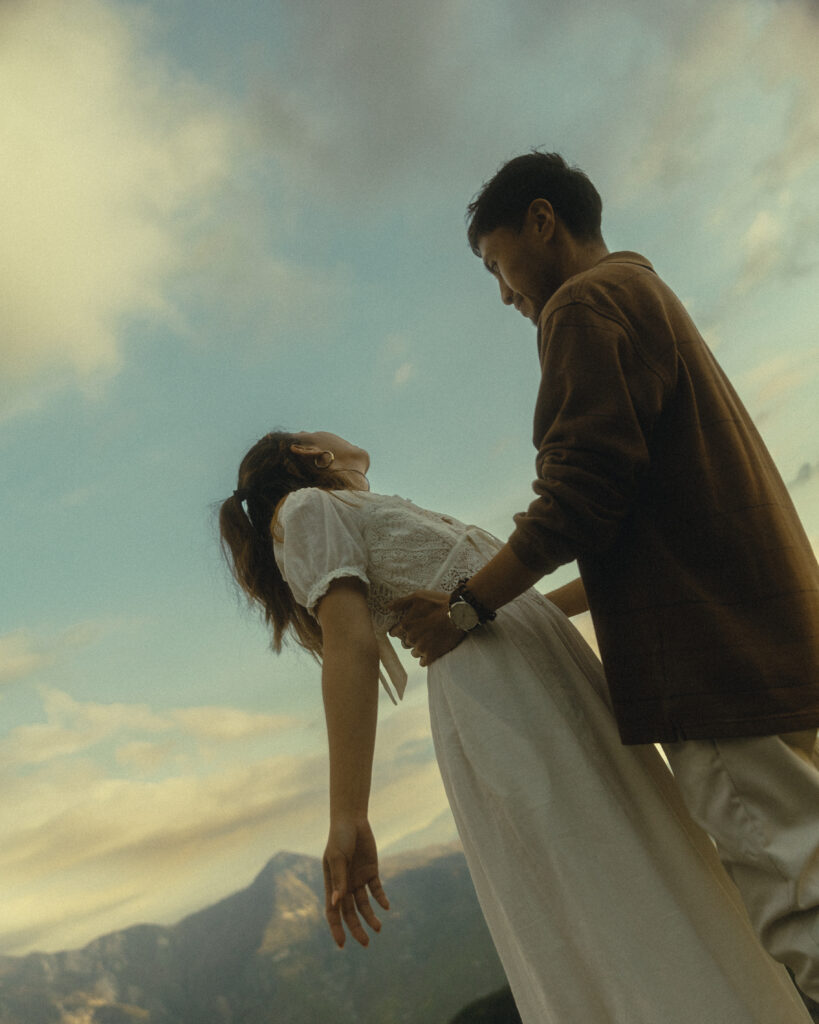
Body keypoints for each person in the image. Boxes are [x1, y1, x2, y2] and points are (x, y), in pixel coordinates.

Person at [390, 151, 819, 1007]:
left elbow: (578, 498)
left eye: (495, 263)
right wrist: (531, 613)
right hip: (773, 640)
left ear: (541, 221)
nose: (505, 294)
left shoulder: (582, 305)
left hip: (711, 662)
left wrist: (466, 607)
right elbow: (629, 523)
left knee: (799, 904)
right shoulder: (643, 292)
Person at [219, 429, 813, 1023]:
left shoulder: (358, 509)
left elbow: (522, 608)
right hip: (505, 704)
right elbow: (350, 642)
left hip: (551, 684)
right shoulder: (303, 509)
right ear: (305, 452)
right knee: (610, 888)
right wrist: (348, 812)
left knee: (655, 862)